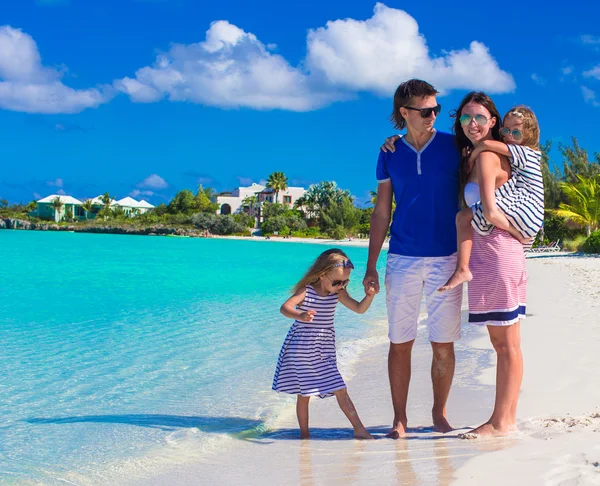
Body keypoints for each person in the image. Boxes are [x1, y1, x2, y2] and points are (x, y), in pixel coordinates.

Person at [366, 79, 463, 438]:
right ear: (404, 113)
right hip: (402, 259)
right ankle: (399, 419)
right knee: (400, 341)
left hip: (447, 258)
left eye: (436, 109)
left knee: (442, 343)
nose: (433, 116)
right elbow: (380, 212)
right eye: (425, 111)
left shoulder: (455, 147)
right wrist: (371, 264)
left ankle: (439, 414)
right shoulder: (389, 153)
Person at [450, 92, 530, 437]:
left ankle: (502, 422)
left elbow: (492, 213)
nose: (472, 124)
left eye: (480, 117)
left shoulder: (486, 157)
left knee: (506, 343)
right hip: (490, 255)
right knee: (504, 343)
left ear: (493, 121)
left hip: (497, 253)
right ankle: (504, 418)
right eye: (466, 118)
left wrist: (520, 233)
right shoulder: (475, 155)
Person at [272, 248, 376, 440]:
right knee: (306, 393)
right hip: (302, 348)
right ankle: (305, 434)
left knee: (338, 388)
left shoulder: (338, 293)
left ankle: (358, 429)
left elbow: (359, 309)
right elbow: (285, 308)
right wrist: (300, 315)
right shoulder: (307, 291)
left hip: (323, 349)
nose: (341, 286)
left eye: (345, 281)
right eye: (337, 282)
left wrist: (369, 296)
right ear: (321, 275)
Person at [438, 105, 544, 291]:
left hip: (522, 215)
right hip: (528, 219)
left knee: (462, 217)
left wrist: (473, 157)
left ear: (530, 134)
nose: (510, 136)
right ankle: (462, 268)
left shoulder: (525, 153)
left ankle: (462, 269)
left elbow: (487, 145)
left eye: (516, 132)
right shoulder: (515, 156)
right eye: (506, 131)